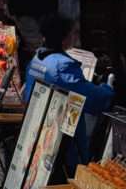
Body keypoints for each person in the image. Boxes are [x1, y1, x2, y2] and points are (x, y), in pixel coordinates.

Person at [25, 14, 114, 169]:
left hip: (37, 128)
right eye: (73, 33)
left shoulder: (38, 58)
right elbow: (91, 98)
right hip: (61, 141)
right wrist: (108, 88)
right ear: (63, 38)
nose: (75, 37)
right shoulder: (63, 66)